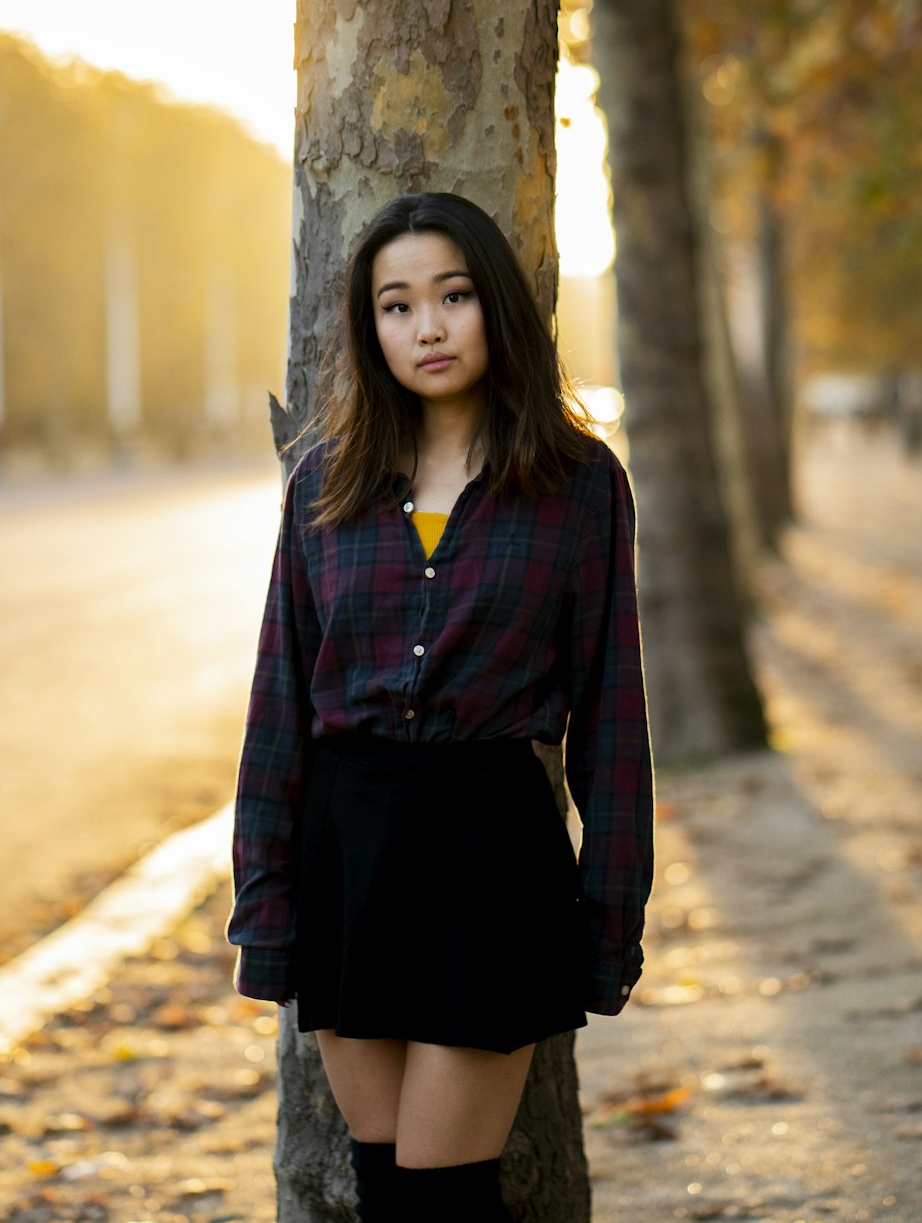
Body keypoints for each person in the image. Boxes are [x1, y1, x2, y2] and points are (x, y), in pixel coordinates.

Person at [227, 192, 654, 1222]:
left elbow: (610, 720)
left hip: (488, 867)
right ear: (369, 328)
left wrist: (608, 919)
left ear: (494, 306)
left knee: (446, 1198)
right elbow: (279, 703)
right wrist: (267, 903)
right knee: (386, 1191)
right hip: (347, 862)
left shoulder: (577, 483)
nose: (426, 326)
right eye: (396, 304)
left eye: (452, 296)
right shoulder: (324, 482)